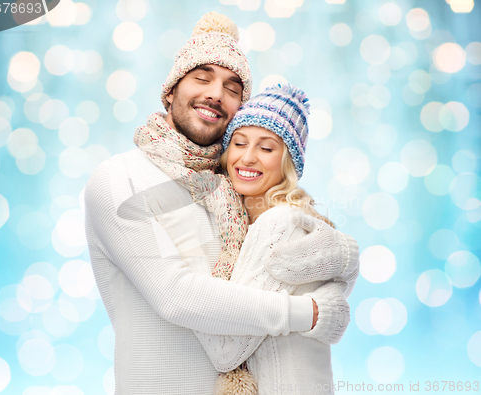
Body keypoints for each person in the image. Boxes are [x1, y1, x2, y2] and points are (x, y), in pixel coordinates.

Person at [85, 12, 322, 394]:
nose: (215, 93)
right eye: (202, 77)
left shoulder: (237, 190)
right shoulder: (120, 178)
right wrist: (310, 313)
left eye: (232, 87)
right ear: (172, 89)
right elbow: (177, 296)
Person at [157, 84, 360, 395]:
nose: (248, 158)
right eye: (239, 143)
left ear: (287, 163)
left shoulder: (279, 222)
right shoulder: (245, 223)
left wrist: (188, 274)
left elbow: (226, 350)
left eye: (266, 148)